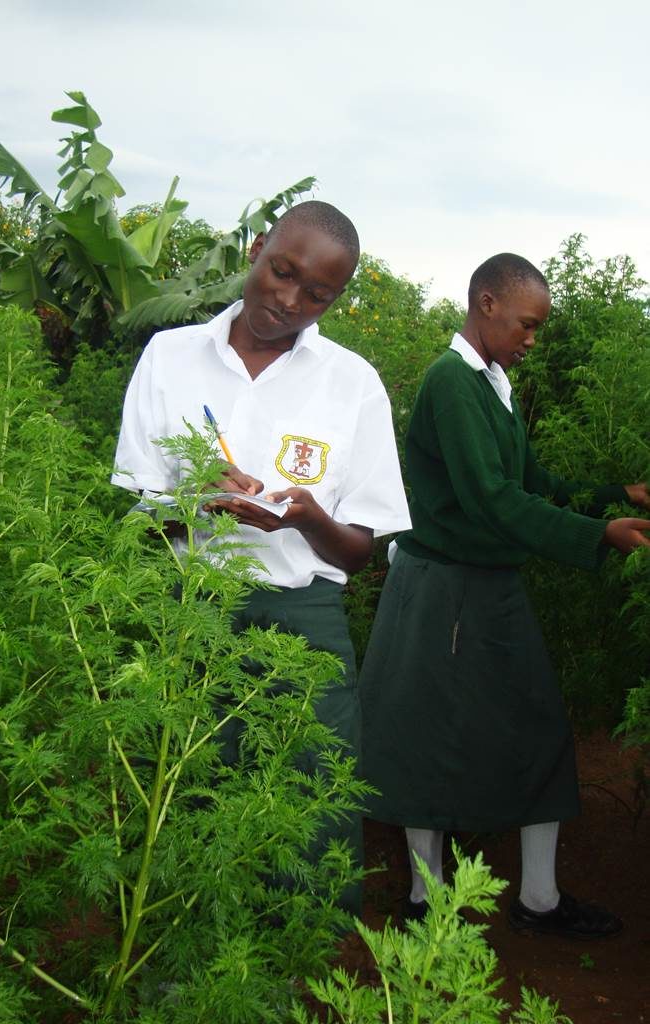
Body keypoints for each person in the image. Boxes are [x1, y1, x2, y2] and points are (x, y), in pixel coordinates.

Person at [111, 200, 411, 911]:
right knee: (183, 794)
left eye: (318, 294)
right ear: (256, 249)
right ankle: (175, 968)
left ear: (337, 300)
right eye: (282, 272)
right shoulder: (170, 357)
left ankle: (291, 967)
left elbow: (360, 551)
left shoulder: (352, 383)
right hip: (187, 616)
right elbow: (132, 525)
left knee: (309, 800)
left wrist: (304, 520)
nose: (289, 299)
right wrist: (194, 505)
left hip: (302, 624)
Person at [358, 253, 650, 937]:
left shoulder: (489, 384)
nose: (531, 341)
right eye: (526, 325)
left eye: (539, 330)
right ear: (486, 303)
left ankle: (539, 899)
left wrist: (613, 499)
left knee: (537, 727)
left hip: (489, 587)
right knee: (426, 737)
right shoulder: (450, 384)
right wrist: (595, 534)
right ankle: (426, 903)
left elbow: (529, 482)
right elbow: (491, 500)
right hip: (442, 591)